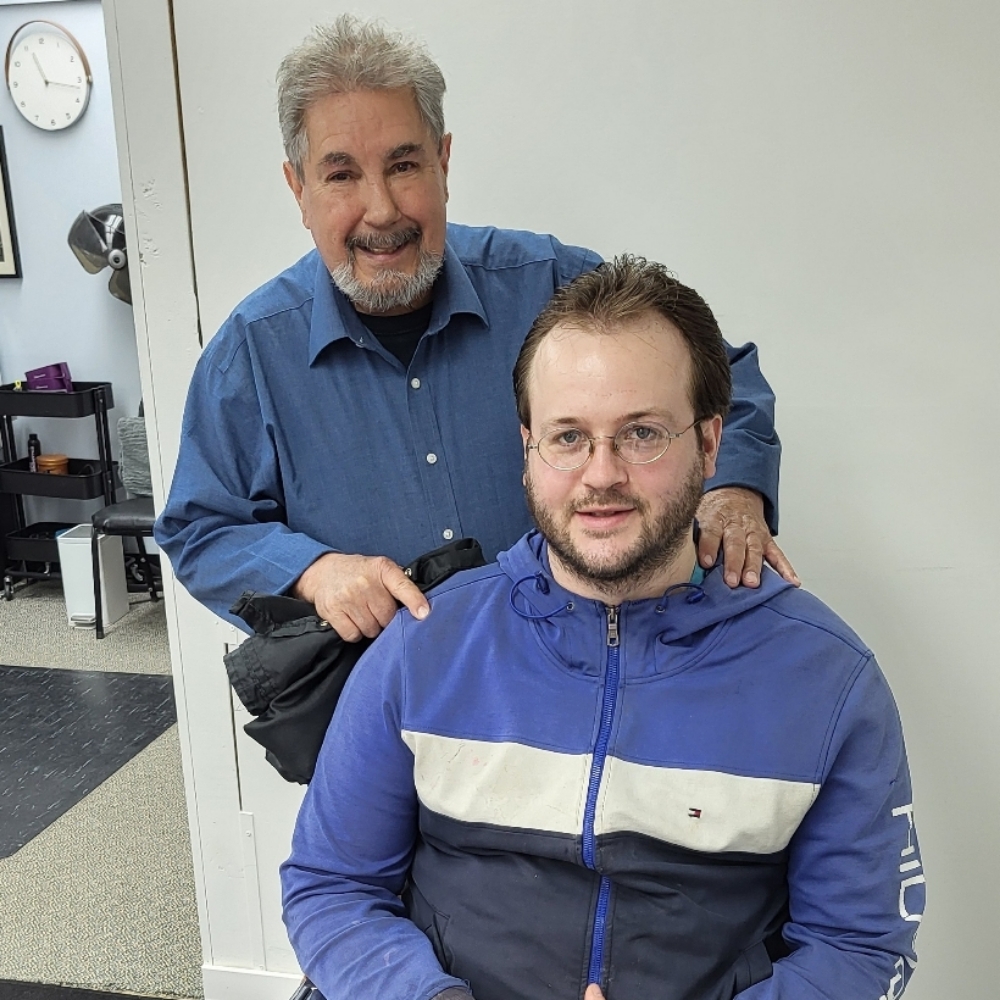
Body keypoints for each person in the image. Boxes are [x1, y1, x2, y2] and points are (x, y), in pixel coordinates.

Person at [280, 257, 923, 1000]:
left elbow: (860, 944)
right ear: (528, 445)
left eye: (643, 433)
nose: (601, 474)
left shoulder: (829, 682)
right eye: (568, 437)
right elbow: (330, 886)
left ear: (710, 444)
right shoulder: (424, 645)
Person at [154, 16, 798, 639]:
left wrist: (733, 491)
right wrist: (311, 571)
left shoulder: (552, 285)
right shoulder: (253, 350)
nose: (381, 210)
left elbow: (727, 380)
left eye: (404, 166)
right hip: (382, 719)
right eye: (341, 174)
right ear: (298, 189)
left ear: (444, 161)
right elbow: (200, 527)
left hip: (588, 692)